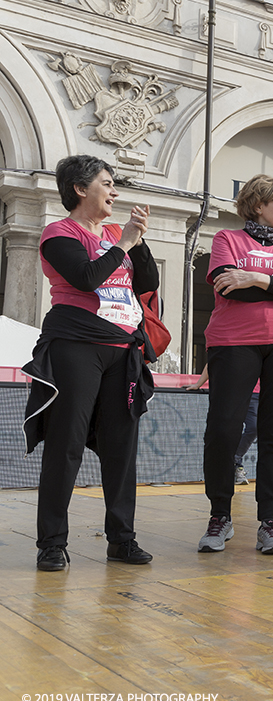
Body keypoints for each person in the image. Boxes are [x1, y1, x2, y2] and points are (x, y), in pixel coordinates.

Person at [23, 154, 158, 571]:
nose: (114, 191)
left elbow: (147, 283)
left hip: (122, 349)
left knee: (122, 448)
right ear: (80, 189)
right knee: (65, 446)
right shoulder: (59, 233)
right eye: (106, 182)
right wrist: (122, 245)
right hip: (75, 343)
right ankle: (52, 543)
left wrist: (138, 240)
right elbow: (85, 278)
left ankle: (122, 539)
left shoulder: (119, 232)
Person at [198, 174, 273, 555]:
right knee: (223, 428)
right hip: (233, 342)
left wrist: (256, 277)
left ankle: (269, 520)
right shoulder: (226, 240)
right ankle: (220, 514)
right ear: (259, 204)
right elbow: (225, 285)